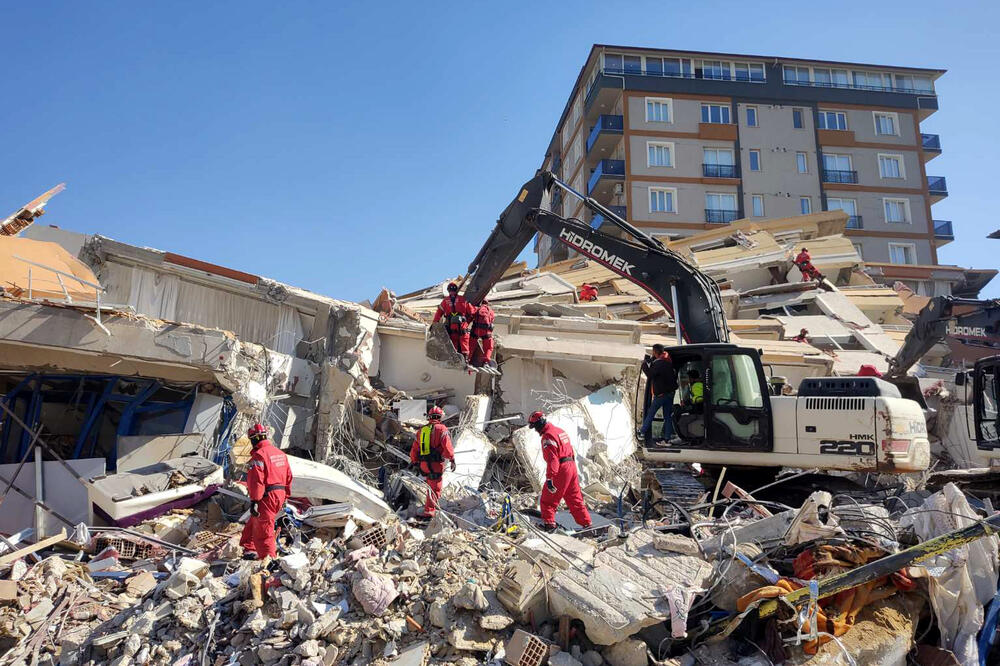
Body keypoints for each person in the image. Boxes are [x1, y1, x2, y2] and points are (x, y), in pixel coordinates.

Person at [528, 411, 591, 532]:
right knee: (574, 498)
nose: (535, 430)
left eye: (535, 426)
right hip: (571, 466)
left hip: (561, 468)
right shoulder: (560, 431)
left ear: (540, 423)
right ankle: (587, 524)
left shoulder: (548, 436)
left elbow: (553, 459)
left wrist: (550, 478)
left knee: (548, 501)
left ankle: (550, 525)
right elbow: (570, 450)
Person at [239, 424, 292, 560]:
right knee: (255, 521)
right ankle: (249, 548)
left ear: (254, 439)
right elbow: (289, 476)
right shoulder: (280, 454)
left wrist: (255, 500)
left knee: (264, 531)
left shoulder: (259, 456)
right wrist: (285, 495)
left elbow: (256, 480)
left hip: (266, 495)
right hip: (279, 494)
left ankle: (268, 560)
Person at [408, 406, 455, 518]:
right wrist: (452, 459)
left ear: (429, 417)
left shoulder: (422, 430)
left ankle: (429, 508)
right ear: (440, 417)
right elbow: (448, 449)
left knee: (430, 486)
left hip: (424, 465)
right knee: (435, 488)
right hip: (435, 464)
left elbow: (414, 449)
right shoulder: (442, 429)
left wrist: (414, 461)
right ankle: (429, 512)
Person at [639, 344, 677, 444]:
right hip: (670, 394)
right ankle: (667, 438)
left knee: (651, 413)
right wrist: (652, 361)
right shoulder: (668, 361)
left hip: (661, 395)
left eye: (653, 352)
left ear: (655, 352)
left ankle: (642, 433)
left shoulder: (659, 363)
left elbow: (651, 375)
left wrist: (644, 365)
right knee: (667, 416)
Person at [433, 282, 476, 362]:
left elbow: (438, 314)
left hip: (451, 326)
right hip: (462, 325)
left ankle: (454, 358)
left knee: (453, 342)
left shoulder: (445, 301)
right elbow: (472, 312)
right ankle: (465, 359)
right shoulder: (463, 299)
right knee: (464, 341)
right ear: (456, 290)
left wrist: (434, 324)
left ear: (448, 290)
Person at [470, 299, 496, 368]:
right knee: (488, 347)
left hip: (476, 330)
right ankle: (486, 362)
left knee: (471, 345)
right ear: (487, 304)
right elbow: (492, 320)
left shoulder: (478, 309)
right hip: (486, 332)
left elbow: (472, 315)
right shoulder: (491, 311)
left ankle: (468, 359)